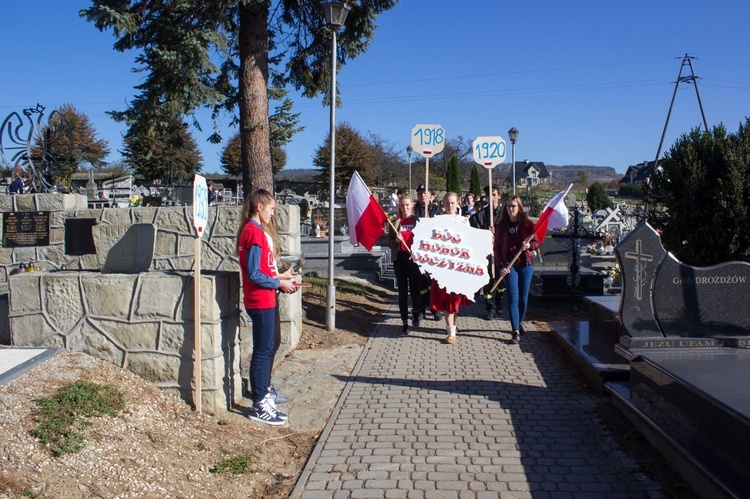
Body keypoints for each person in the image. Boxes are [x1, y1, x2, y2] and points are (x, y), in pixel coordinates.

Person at [237, 189, 300, 425]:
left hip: (267, 297)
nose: (273, 214)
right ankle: (259, 403)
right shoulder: (253, 232)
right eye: (272, 209)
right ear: (259, 207)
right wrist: (279, 283)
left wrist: (281, 275)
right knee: (262, 351)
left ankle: (265, 389)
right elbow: (253, 273)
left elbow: (262, 267)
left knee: (272, 344)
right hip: (260, 300)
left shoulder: (256, 231)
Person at [493, 195, 541, 345]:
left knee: (523, 299)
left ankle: (519, 322)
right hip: (510, 265)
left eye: (513, 206)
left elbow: (537, 240)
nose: (510, 209)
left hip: (525, 264)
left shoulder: (527, 225)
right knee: (513, 297)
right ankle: (515, 331)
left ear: (519, 207)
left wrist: (530, 246)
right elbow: (497, 248)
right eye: (508, 206)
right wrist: (501, 266)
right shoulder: (502, 226)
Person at [429, 192, 472, 344]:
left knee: (456, 298)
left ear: (458, 203)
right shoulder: (437, 221)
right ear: (443, 205)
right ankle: (450, 331)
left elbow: (469, 242)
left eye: (453, 203)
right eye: (447, 203)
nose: (450, 206)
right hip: (443, 266)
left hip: (458, 266)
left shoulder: (463, 221)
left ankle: (453, 324)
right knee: (446, 298)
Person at [387, 194, 422, 336]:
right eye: (402, 205)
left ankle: (415, 311)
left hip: (414, 259)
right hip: (400, 259)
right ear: (399, 206)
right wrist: (396, 240)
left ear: (412, 205)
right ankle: (404, 323)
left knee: (415, 290)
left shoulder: (417, 221)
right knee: (402, 291)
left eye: (407, 205)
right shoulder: (395, 223)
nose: (405, 208)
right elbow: (389, 244)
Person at [470, 185, 505, 320]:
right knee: (488, 282)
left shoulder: (504, 214)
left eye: (494, 194)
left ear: (499, 195)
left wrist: (497, 233)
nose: (492, 197)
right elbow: (474, 231)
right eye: (489, 195)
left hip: (501, 253)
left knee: (501, 282)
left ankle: (500, 302)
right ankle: (489, 307)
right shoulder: (481, 215)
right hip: (487, 254)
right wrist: (485, 234)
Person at [413, 184, 443, 322]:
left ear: (431, 196)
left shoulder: (437, 210)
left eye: (425, 193)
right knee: (421, 284)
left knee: (434, 283)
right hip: (419, 252)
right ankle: (420, 309)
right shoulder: (414, 210)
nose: (422, 195)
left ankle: (435, 308)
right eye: (419, 193)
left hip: (434, 253)